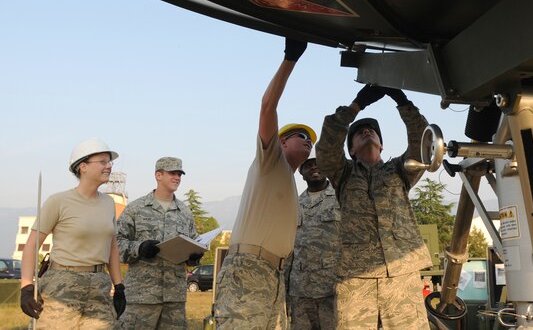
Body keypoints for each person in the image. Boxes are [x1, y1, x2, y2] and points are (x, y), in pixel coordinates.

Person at [213, 38, 314, 329]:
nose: (308, 142)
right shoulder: (270, 161)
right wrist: (290, 59)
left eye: (310, 140)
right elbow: (267, 106)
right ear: (281, 142)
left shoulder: (292, 183)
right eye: (300, 137)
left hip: (274, 274)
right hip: (249, 269)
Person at [316, 84, 432, 330]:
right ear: (351, 150)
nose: (367, 132)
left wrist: (402, 101)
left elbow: (423, 142)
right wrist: (356, 106)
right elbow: (326, 147)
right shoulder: (343, 173)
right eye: (359, 133)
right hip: (355, 277)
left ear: (381, 145)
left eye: (372, 131)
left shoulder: (400, 170)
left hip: (401, 273)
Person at [19, 138, 126, 328]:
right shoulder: (58, 201)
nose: (109, 166)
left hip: (99, 286)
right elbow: (31, 245)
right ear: (83, 167)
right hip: (62, 285)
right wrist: (27, 287)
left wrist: (118, 286)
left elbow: (112, 247)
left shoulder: (109, 203)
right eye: (103, 162)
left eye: (110, 162)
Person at [116, 157, 200, 329]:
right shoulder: (135, 209)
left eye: (179, 174)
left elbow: (194, 242)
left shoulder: (185, 213)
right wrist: (139, 248)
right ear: (158, 175)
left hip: (174, 299)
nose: (177, 177)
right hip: (142, 296)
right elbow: (116, 244)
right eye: (172, 173)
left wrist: (194, 256)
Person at [286, 157, 341, 330]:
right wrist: (285, 289)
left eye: (318, 164)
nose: (314, 167)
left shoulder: (341, 197)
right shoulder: (294, 204)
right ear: (301, 174)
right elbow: (288, 249)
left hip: (332, 288)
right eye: (308, 165)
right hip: (300, 290)